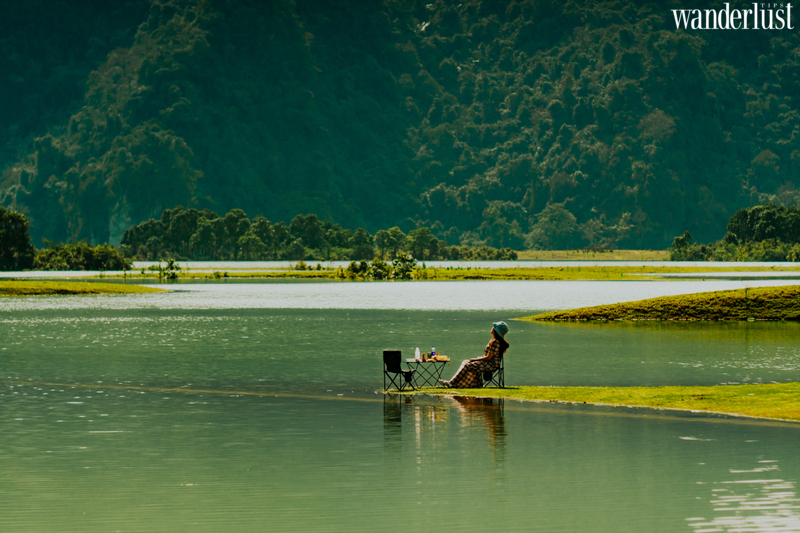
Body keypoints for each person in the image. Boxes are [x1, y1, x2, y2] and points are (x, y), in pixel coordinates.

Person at [440, 321, 509, 388]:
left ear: (496, 331)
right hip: (489, 363)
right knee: (465, 361)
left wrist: (475, 359)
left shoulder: (495, 342)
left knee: (468, 364)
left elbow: (488, 357)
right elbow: (488, 356)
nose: (492, 328)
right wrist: (478, 359)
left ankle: (452, 383)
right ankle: (471, 385)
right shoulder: (495, 341)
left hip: (491, 364)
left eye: (494, 327)